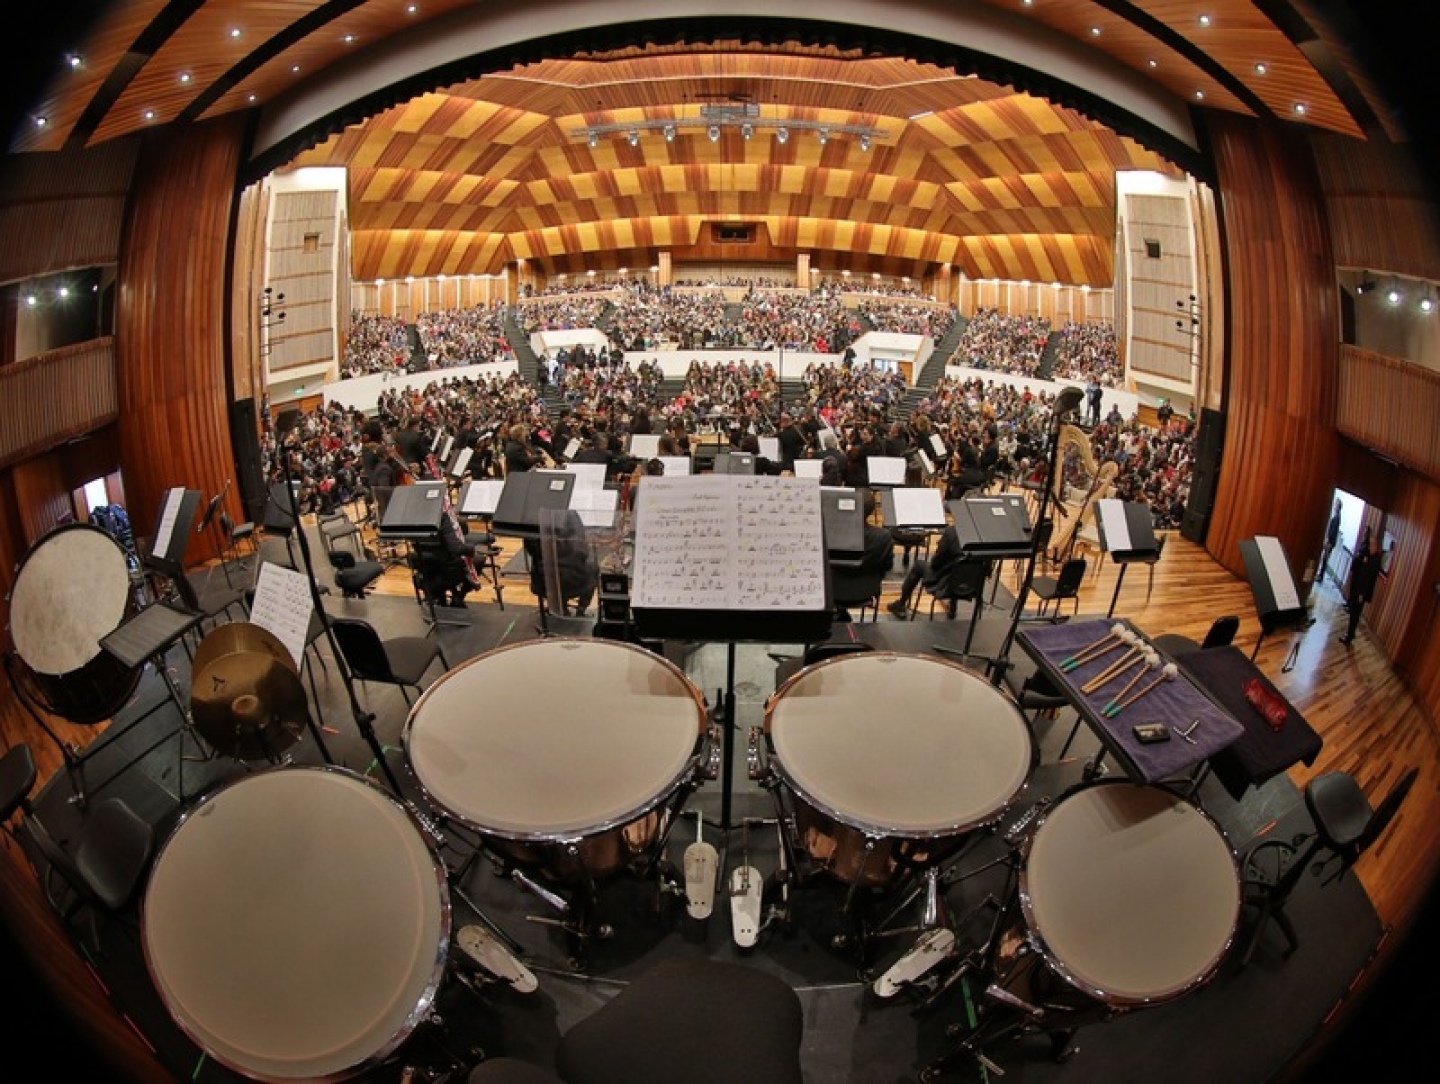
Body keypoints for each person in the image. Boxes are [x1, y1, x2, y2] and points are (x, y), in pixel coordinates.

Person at [1341, 527, 1382, 645]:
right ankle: (1350, 633)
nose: (1369, 548)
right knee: (1354, 613)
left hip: (1361, 593)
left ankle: (1349, 637)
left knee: (1355, 614)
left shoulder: (1374, 561)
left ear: (1375, 547)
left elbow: (1368, 580)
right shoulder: (1372, 558)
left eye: (1371, 546)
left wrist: (1361, 594)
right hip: (1359, 590)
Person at [1321, 499, 1342, 584]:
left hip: (1330, 542)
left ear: (1338, 506)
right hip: (1330, 541)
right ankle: (1320, 575)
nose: (1334, 505)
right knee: (1324, 558)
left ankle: (1320, 576)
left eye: (1336, 504)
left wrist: (1328, 540)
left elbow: (1333, 531)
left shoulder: (1337, 517)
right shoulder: (1337, 516)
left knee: (1325, 559)